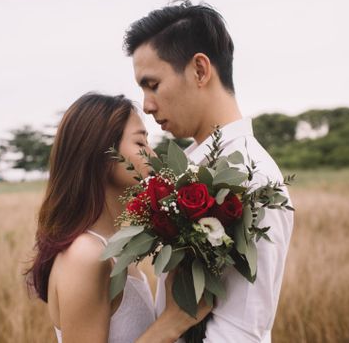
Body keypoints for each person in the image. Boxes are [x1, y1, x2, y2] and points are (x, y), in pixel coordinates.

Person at [124, 0, 294, 343]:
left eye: (152, 84)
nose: (146, 104)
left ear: (200, 70)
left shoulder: (252, 177)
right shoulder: (187, 167)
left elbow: (241, 332)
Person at [27, 93, 211, 343]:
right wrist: (171, 323)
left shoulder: (112, 246)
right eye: (140, 143)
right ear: (103, 154)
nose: (153, 155)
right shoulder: (85, 256)